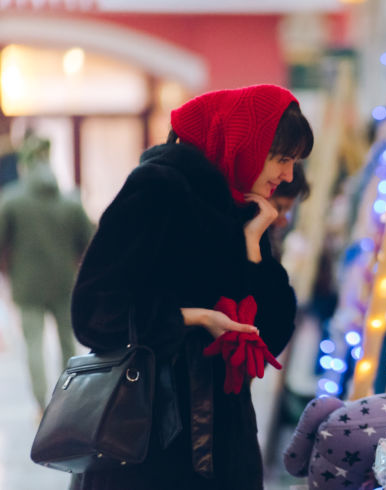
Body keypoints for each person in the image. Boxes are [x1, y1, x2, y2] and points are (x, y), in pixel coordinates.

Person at [68, 85, 313, 489]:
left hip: (224, 439)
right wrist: (192, 318)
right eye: (282, 159)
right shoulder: (157, 189)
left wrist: (254, 245)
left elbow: (271, 332)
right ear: (244, 143)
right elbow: (94, 313)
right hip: (148, 443)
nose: (287, 175)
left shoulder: (243, 209)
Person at [0, 135, 92, 411]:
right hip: (65, 282)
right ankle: (69, 401)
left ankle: (41, 406)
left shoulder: (11, 200)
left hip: (26, 283)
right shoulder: (70, 201)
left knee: (33, 345)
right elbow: (88, 242)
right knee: (67, 343)